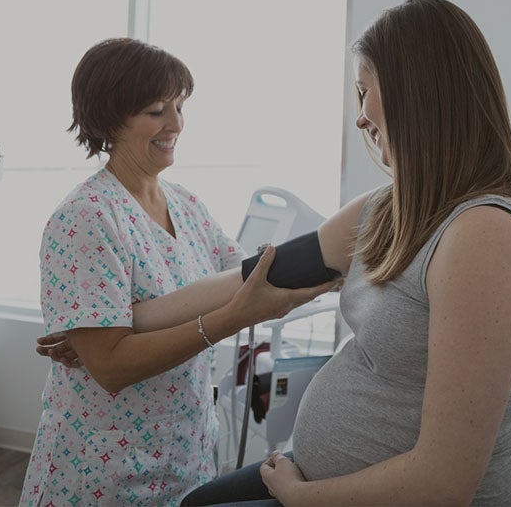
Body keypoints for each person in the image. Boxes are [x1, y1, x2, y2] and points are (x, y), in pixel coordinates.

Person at [175, 0, 511, 507]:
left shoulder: (487, 237)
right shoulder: (384, 211)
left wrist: (296, 494)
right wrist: (121, 323)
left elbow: (442, 484)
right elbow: (251, 277)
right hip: (316, 474)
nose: (359, 119)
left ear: (415, 92)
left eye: (363, 92)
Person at [20, 37, 334, 507]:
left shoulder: (185, 204)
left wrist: (336, 258)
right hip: (103, 468)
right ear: (109, 118)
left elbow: (250, 277)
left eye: (179, 107)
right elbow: (110, 367)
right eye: (156, 110)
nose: (176, 124)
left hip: (182, 455)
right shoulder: (86, 217)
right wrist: (229, 319)